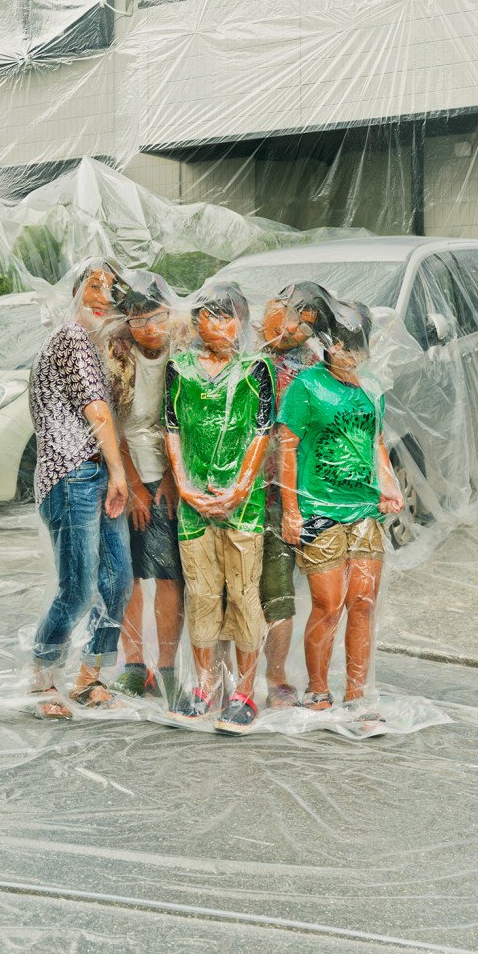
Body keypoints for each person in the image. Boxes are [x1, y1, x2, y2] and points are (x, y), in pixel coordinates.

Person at [277, 299, 406, 712]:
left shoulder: (371, 389)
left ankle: (355, 691)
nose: (347, 353)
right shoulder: (307, 386)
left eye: (355, 346)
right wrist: (292, 511)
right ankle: (318, 687)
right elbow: (288, 449)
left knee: (363, 604)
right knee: (329, 604)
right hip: (319, 510)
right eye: (339, 344)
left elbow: (375, 443)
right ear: (326, 345)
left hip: (364, 510)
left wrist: (389, 485)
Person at [164, 282, 274, 733]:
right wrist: (184, 486)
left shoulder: (256, 368)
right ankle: (205, 685)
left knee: (245, 594)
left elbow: (261, 431)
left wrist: (241, 488)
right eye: (209, 316)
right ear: (196, 322)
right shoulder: (180, 367)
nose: (219, 326)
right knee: (203, 593)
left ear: (243, 323)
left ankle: (245, 691)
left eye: (228, 317)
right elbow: (170, 426)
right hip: (193, 503)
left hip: (243, 506)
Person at [28, 258, 134, 719]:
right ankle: (43, 682)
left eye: (112, 289)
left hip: (91, 475)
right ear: (75, 291)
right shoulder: (70, 337)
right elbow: (97, 413)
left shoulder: (91, 345)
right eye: (94, 285)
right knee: (78, 588)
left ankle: (89, 678)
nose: (103, 296)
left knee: (118, 581)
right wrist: (119, 472)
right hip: (72, 476)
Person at [103, 272, 188, 707]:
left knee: (171, 573)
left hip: (174, 472)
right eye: (139, 322)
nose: (149, 330)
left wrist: (175, 476)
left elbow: (188, 418)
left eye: (156, 319)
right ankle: (134, 665)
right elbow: (108, 420)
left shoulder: (185, 347)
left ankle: (169, 667)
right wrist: (132, 482)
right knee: (130, 573)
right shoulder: (116, 351)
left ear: (170, 314)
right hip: (125, 470)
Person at [258, 282, 335, 708]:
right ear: (269, 307)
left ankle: (313, 680)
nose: (289, 329)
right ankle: (273, 678)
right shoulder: (244, 357)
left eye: (302, 326)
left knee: (321, 594)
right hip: (259, 495)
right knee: (272, 590)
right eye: (284, 316)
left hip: (312, 494)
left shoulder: (317, 366)